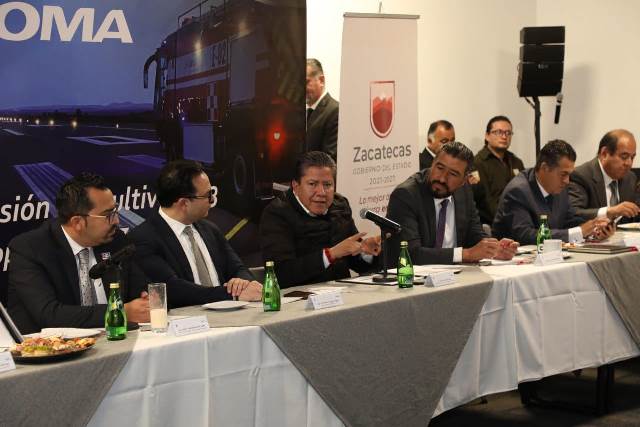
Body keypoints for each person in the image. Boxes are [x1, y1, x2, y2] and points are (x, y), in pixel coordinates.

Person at [7, 173, 150, 334]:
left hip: (117, 339)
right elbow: (49, 314)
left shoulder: (116, 240)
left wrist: (146, 301)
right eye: (108, 215)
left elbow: (140, 289)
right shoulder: (30, 249)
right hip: (53, 345)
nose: (116, 220)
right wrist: (118, 312)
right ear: (77, 222)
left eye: (115, 211)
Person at [128, 160, 262, 308]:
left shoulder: (210, 230)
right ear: (184, 203)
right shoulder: (143, 238)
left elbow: (239, 268)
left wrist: (242, 284)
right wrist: (230, 295)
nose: (212, 200)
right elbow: (173, 289)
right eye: (208, 195)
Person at [260, 151, 380, 287]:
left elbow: (355, 262)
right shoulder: (277, 214)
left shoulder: (340, 205)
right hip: (299, 297)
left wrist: (366, 252)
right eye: (312, 184)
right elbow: (280, 274)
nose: (321, 192)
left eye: (327, 185)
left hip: (342, 294)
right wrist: (330, 254)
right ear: (296, 185)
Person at [387, 141, 518, 265]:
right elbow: (410, 253)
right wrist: (465, 254)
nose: (442, 178)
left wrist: (494, 249)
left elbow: (474, 235)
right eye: (439, 168)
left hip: (456, 274)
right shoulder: (406, 195)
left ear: (463, 181)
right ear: (432, 163)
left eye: (453, 174)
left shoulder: (464, 191)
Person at [492, 139, 614, 244]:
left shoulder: (560, 187)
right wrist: (578, 232)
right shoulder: (518, 191)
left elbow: (570, 219)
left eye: (569, 175)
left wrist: (595, 230)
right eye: (563, 174)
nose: (567, 181)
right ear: (545, 168)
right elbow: (525, 235)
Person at [569, 129, 640, 221]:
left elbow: (634, 216)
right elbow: (573, 214)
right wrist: (608, 212)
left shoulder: (630, 178)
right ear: (604, 154)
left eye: (632, 157)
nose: (629, 163)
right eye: (624, 157)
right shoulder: (581, 176)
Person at [473, 116, 525, 225]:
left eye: (508, 133)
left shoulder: (516, 162)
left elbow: (525, 195)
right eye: (499, 132)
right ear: (487, 136)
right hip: (491, 225)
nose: (504, 136)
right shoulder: (477, 163)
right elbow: (486, 201)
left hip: (518, 221)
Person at [305, 58, 339, 160]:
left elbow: (328, 160)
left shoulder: (335, 111)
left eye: (306, 82)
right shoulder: (304, 113)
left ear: (321, 80)